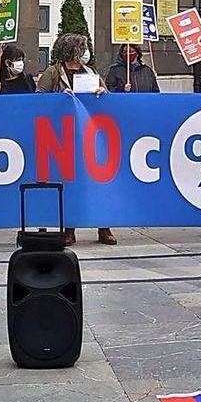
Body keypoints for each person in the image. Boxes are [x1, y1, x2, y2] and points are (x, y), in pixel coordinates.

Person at [37, 33, 116, 246]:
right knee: (70, 183)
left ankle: (104, 227)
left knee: (97, 181)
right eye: (82, 49)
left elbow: (106, 97)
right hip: (64, 135)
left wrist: (101, 92)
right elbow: (38, 99)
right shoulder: (53, 73)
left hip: (91, 135)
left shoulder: (91, 72)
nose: (86, 53)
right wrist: (60, 98)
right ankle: (69, 229)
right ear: (72, 51)